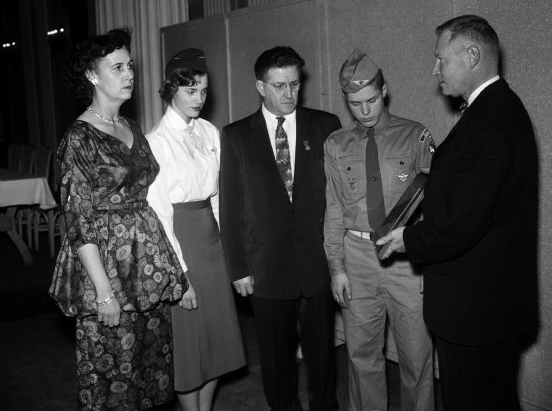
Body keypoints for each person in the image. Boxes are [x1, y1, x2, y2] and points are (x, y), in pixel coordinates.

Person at [376, 15, 539, 411]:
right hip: (487, 307)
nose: (435, 70)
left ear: (471, 56)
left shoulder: (489, 121)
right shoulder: (495, 109)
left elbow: (464, 222)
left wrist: (407, 239)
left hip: (476, 312)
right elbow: (478, 191)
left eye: (440, 60)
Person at [49, 29, 187, 410]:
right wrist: (103, 292)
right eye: (118, 67)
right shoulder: (79, 139)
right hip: (108, 272)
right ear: (93, 75)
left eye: (130, 66)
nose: (130, 74)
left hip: (145, 270)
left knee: (152, 376)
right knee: (114, 379)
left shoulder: (132, 127)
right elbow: (79, 221)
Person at [219, 46, 341, 411]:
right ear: (260, 86)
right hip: (266, 267)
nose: (289, 94)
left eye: (294, 84)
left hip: (317, 263)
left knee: (323, 358)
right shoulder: (237, 135)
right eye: (278, 86)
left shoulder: (325, 125)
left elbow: (338, 198)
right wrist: (238, 268)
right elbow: (230, 206)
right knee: (276, 361)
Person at [323, 49, 435, 411]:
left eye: (371, 99)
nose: (365, 110)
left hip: (404, 258)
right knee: (361, 356)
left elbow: (438, 201)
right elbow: (335, 209)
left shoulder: (415, 135)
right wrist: (336, 268)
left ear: (384, 90)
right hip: (357, 259)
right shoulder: (336, 145)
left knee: (416, 357)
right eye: (355, 104)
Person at [146, 48, 245, 411]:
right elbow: (159, 214)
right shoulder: (156, 140)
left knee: (217, 342)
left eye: (203, 91)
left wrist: (229, 251)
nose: (199, 100)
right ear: (172, 89)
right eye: (191, 91)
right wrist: (181, 275)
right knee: (190, 347)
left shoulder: (208, 131)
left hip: (212, 244)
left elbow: (217, 197)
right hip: (181, 244)